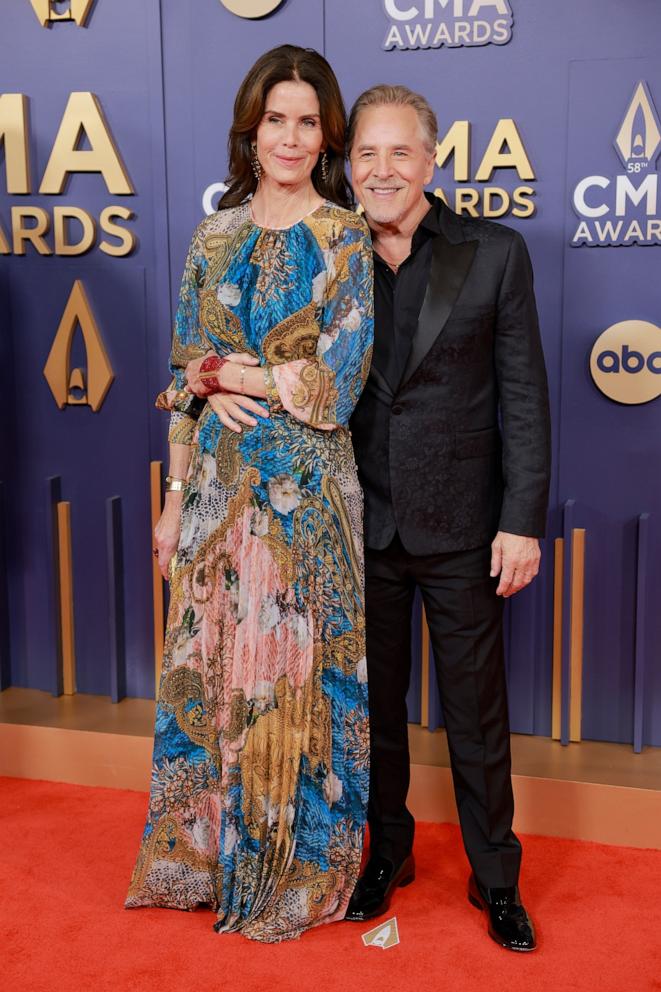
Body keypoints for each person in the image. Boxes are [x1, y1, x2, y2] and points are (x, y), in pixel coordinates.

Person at [126, 45, 374, 943]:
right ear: (251, 127)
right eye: (277, 119)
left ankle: (292, 866)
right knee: (211, 672)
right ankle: (200, 859)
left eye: (309, 121)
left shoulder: (345, 236)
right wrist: (173, 496)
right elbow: (179, 376)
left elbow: (336, 383)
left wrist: (235, 372)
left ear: (327, 134)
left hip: (307, 496)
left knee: (293, 685)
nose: (292, 137)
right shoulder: (213, 236)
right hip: (216, 496)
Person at [343, 85, 551, 953]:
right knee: (374, 711)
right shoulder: (327, 252)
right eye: (365, 154)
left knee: (474, 713)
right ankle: (386, 852)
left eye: (399, 153)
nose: (381, 170)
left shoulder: (493, 253)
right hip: (359, 525)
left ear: (431, 160)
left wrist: (521, 520)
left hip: (465, 527)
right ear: (346, 165)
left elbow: (523, 398)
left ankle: (494, 876)